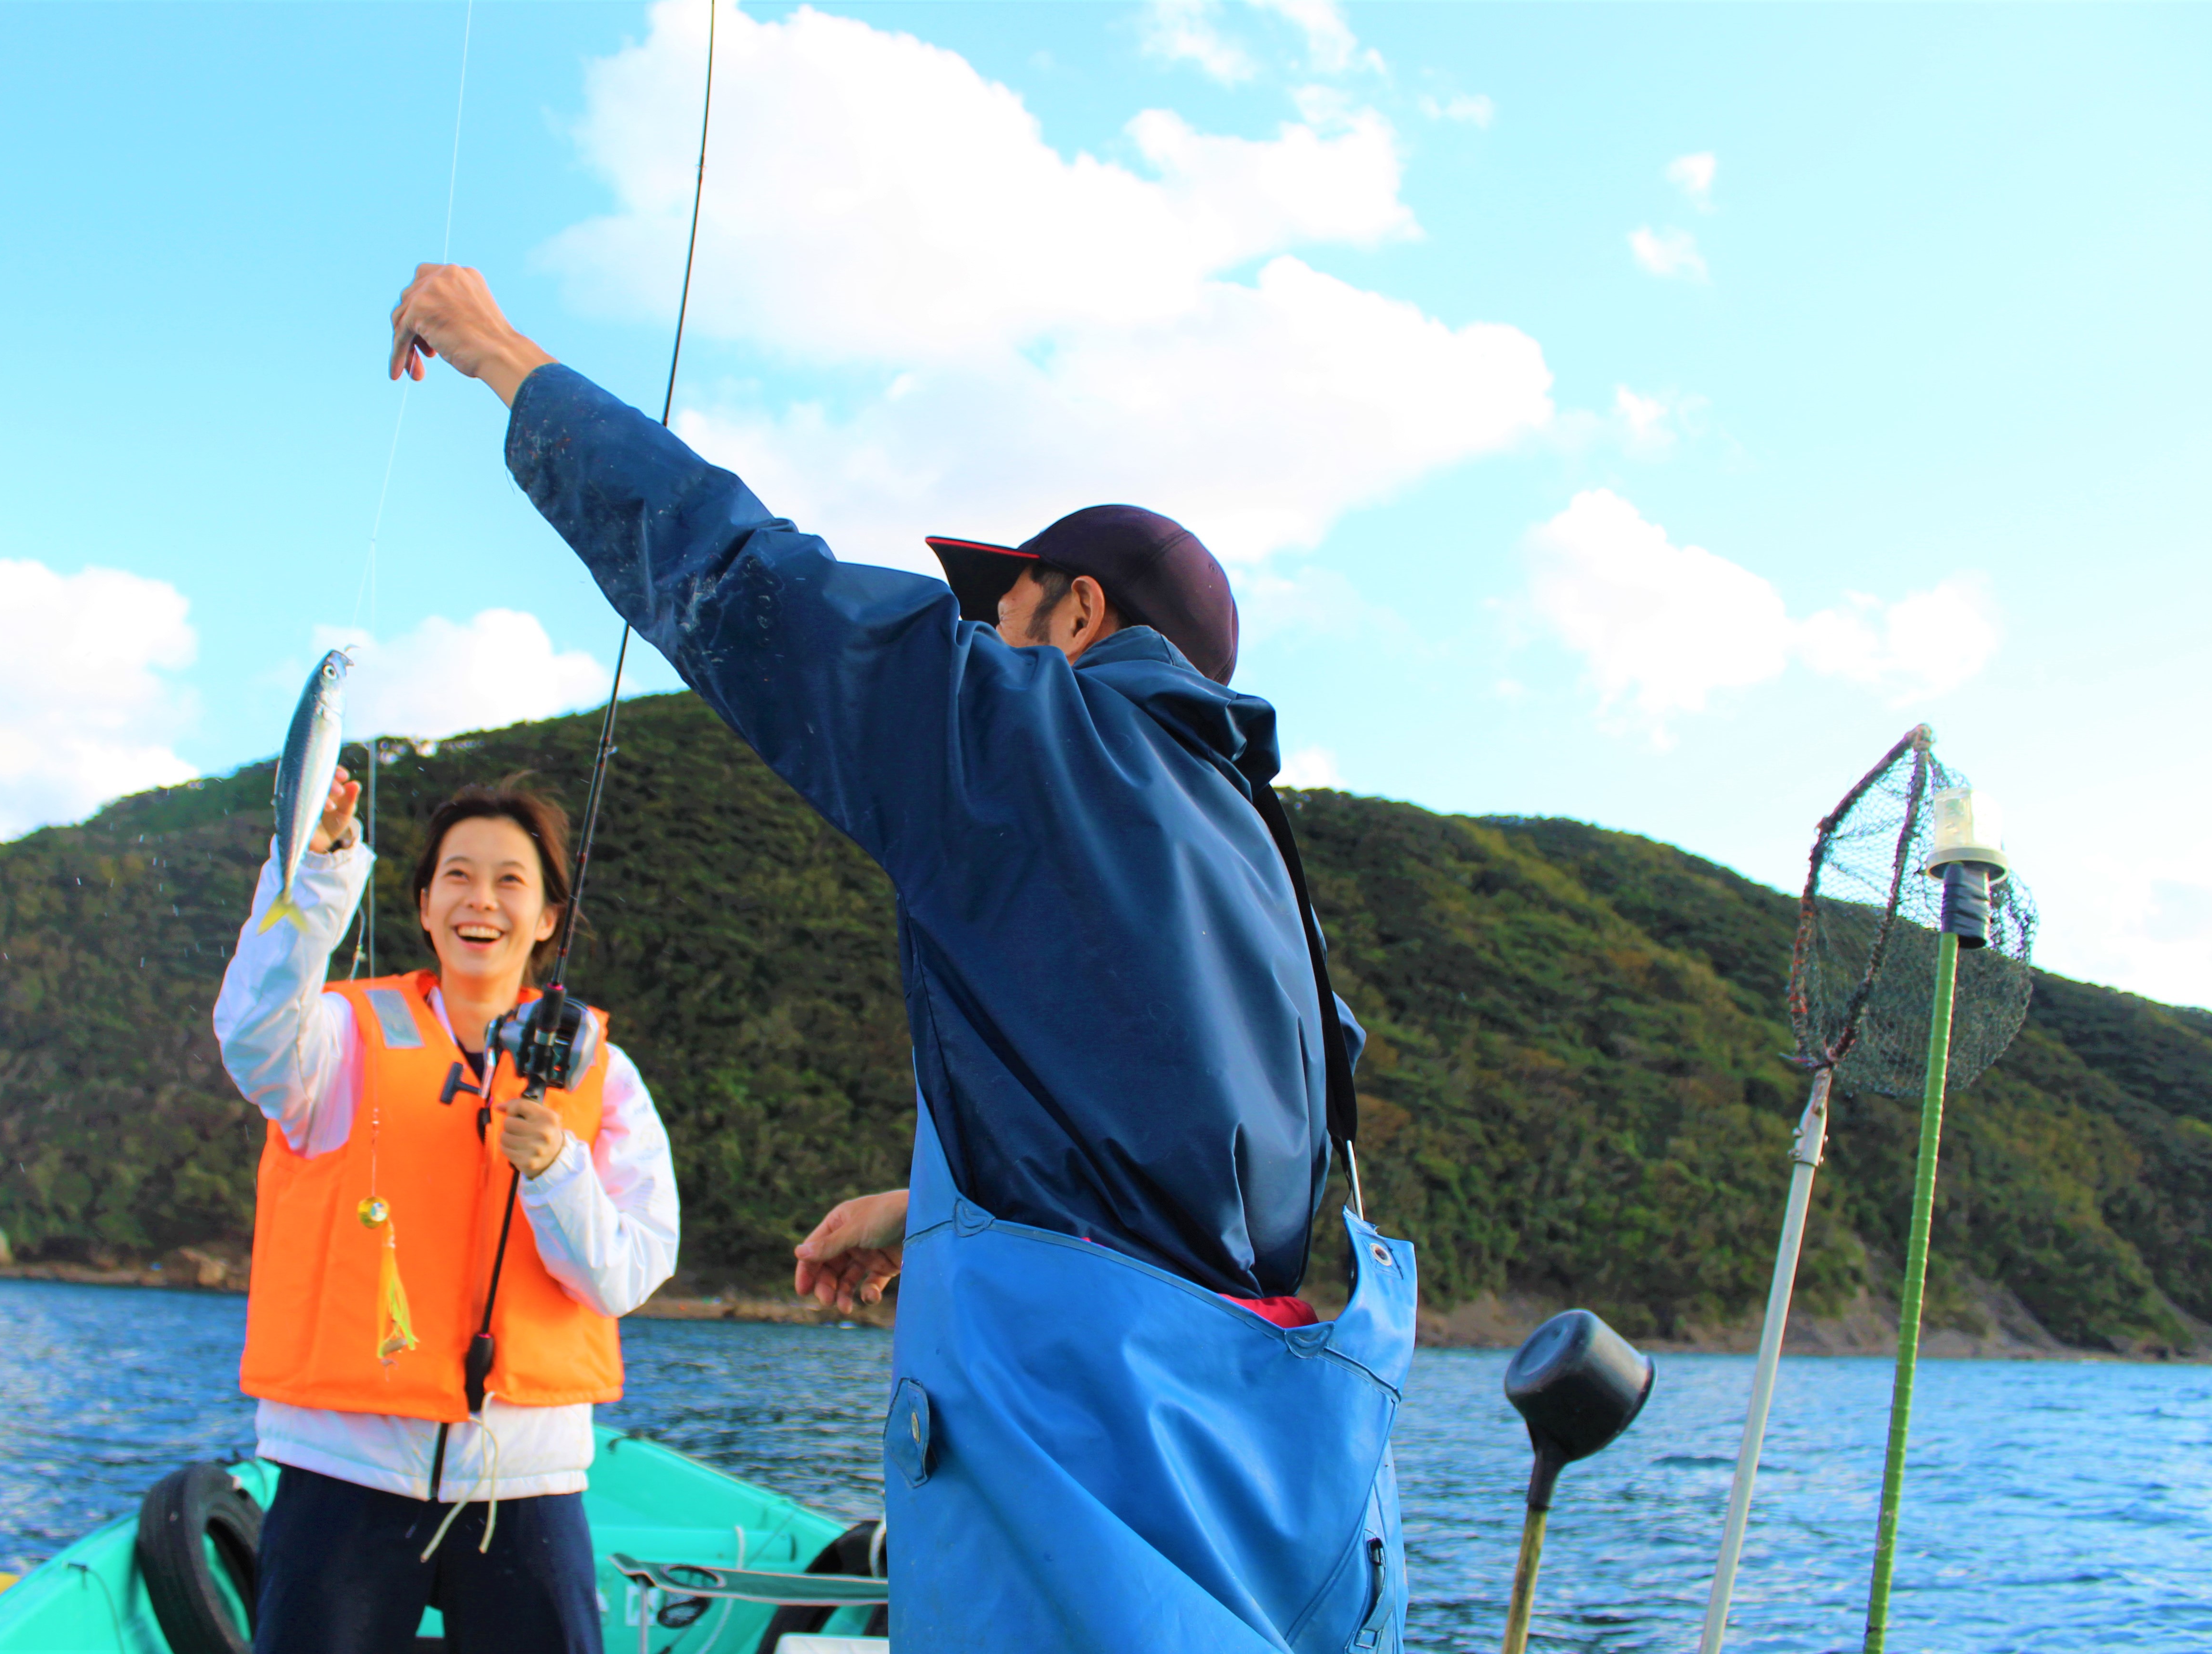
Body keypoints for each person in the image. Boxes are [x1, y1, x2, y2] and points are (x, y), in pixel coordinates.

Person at [386, 264, 1414, 1653]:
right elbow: (1172, 1195)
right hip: (1263, 1514)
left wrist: (501, 354)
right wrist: (929, 1210)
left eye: (1007, 598)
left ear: (1081, 615)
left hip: (1083, 1513)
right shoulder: (1266, 877)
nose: (985, 627)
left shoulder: (1034, 739)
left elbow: (738, 574)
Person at [213, 770, 678, 1654]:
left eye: (512, 881)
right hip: (343, 1469)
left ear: (547, 919)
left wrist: (556, 1172)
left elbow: (628, 1273)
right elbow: (252, 1034)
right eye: (458, 877)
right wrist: (315, 867)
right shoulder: (340, 1039)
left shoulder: (603, 1078)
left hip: (525, 1481)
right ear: (424, 905)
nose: (482, 900)